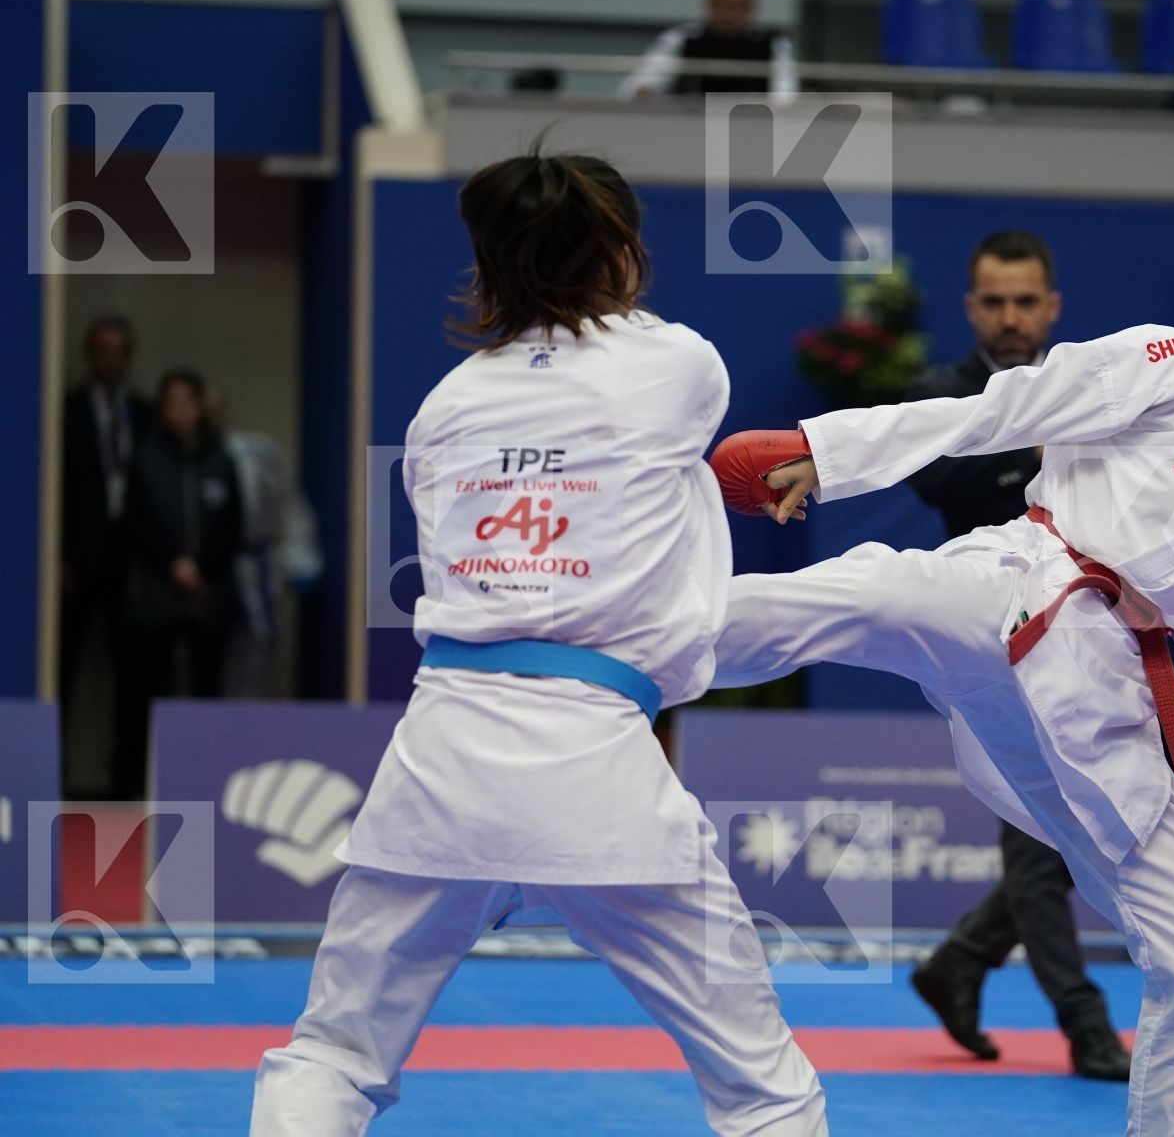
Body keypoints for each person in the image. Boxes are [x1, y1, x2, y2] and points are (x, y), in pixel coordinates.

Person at [711, 222, 1174, 1136]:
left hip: (1110, 690)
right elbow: (999, 410)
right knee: (869, 591)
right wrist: (826, 450)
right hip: (1023, 580)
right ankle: (621, 644)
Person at [250, 147, 827, 1136]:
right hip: (591, 763)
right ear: (622, 254)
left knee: (334, 1055)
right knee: (760, 1087)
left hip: (441, 756)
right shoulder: (676, 366)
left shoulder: (446, 409)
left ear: (489, 267)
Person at [901, 231, 1130, 1081]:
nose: (1009, 318)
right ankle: (1087, 1024)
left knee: (1089, 830)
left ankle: (960, 960)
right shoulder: (942, 395)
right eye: (993, 302)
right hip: (990, 650)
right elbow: (946, 482)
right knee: (1041, 847)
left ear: (1052, 307)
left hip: (1095, 642)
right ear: (971, 308)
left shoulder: (1095, 387)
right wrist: (1044, 451)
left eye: (1024, 301)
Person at [121, 368, 243, 799]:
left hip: (208, 597)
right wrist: (171, 564)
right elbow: (134, 524)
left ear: (200, 406)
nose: (178, 411)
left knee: (204, 693)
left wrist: (202, 569)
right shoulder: (147, 457)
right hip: (155, 595)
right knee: (147, 693)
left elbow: (233, 527)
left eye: (186, 401)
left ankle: (202, 786)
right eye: (169, 402)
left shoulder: (220, 459)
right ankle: (137, 788)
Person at [59, 315, 151, 795]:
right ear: (87, 355)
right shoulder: (65, 411)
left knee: (133, 677)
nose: (111, 359)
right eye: (102, 349)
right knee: (63, 671)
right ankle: (54, 771)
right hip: (74, 564)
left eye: (120, 350)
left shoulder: (143, 412)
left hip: (130, 565)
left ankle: (127, 779)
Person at [206, 390, 323, 699]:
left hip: (254, 565)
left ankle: (249, 723)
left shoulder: (254, 452)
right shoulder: (182, 459)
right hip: (206, 572)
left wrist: (301, 558)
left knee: (256, 649)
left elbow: (290, 505)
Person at [619, 0, 797, 101]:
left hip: (752, 128)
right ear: (708, 3)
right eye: (722, 3)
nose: (729, 13)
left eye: (738, 5)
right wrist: (644, 92)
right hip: (686, 127)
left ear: (752, 8)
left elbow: (786, 97)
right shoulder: (680, 39)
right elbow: (634, 88)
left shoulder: (774, 45)